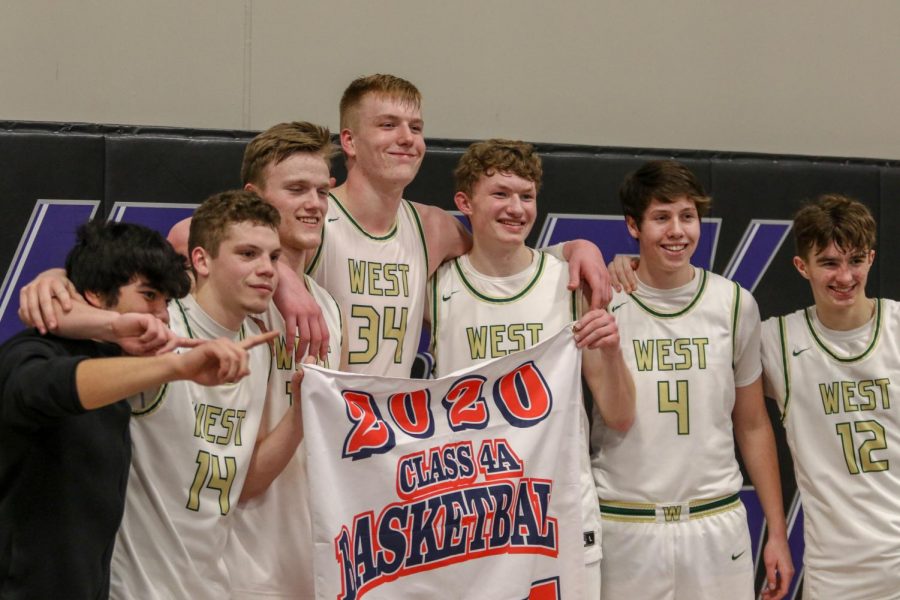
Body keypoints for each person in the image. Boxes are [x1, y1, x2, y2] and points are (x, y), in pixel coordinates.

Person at [271, 73, 612, 371]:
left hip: (386, 433)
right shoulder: (314, 214)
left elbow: (502, 262)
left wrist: (574, 248)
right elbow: (229, 251)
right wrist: (281, 274)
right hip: (313, 424)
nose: (407, 138)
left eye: (416, 127)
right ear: (349, 141)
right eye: (388, 125)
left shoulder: (433, 228)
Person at [0, 220, 265, 599]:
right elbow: (56, 386)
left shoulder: (118, 362)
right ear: (93, 292)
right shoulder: (28, 354)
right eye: (149, 295)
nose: (161, 315)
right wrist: (178, 367)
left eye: (166, 302)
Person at [428, 139, 635, 597]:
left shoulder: (569, 281)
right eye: (501, 194)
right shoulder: (437, 287)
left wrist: (614, 351)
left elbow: (619, 414)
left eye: (527, 195)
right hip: (469, 516)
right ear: (465, 202)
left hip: (558, 510)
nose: (516, 208)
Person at [591, 160, 793, 599]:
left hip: (714, 521)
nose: (677, 231)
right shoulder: (603, 298)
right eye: (661, 218)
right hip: (627, 522)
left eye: (687, 216)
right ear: (633, 225)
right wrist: (582, 253)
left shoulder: (734, 303)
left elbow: (754, 423)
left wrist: (777, 531)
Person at [107, 191, 300, 600]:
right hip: (136, 587)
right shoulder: (160, 328)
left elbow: (244, 484)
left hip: (209, 585)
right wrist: (50, 283)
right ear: (201, 260)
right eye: (248, 254)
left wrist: (301, 413)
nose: (267, 270)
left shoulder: (258, 345)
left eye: (274, 257)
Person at [222, 121, 345, 599]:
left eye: (321, 191)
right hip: (244, 566)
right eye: (296, 189)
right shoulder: (227, 296)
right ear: (254, 197)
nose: (314, 204)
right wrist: (278, 274)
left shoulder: (329, 308)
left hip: (313, 563)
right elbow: (244, 479)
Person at [760, 195, 900, 599]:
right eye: (829, 263)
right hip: (835, 573)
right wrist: (628, 264)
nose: (845, 276)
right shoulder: (777, 341)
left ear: (871, 258)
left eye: (855, 260)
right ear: (802, 266)